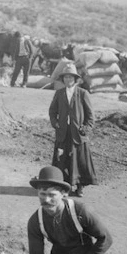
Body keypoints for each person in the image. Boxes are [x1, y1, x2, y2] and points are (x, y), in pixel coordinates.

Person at [48, 63, 97, 197]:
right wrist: (56, 123)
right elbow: (52, 111)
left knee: (79, 161)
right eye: (66, 78)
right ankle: (64, 187)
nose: (68, 80)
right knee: (62, 160)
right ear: (63, 79)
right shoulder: (59, 93)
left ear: (75, 80)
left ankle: (80, 187)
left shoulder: (82, 94)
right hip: (63, 133)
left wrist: (86, 128)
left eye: (70, 78)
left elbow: (90, 116)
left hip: (78, 134)